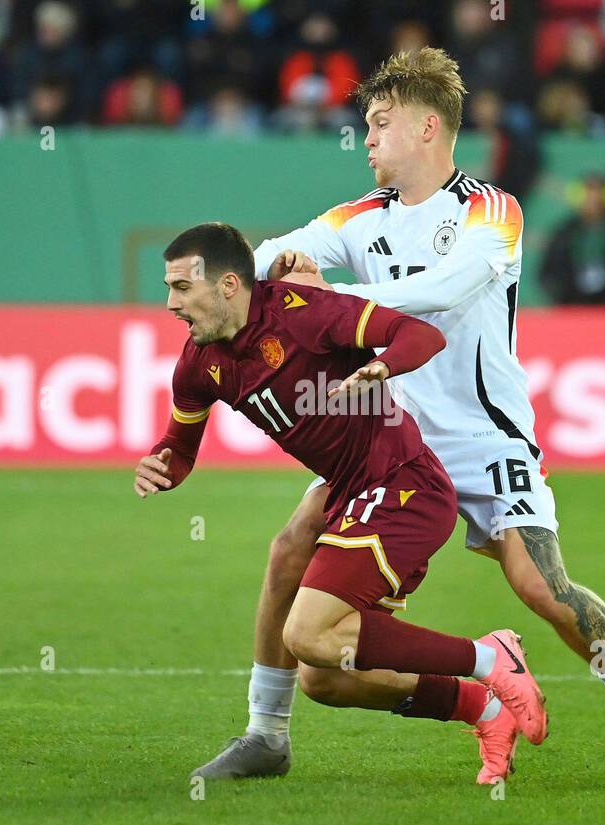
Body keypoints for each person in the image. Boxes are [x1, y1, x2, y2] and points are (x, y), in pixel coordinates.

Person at [192, 47, 605, 787]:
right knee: (295, 566)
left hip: (488, 440)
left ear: (428, 128)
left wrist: (329, 302)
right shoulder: (357, 219)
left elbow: (449, 288)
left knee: (541, 587)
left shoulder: (493, 210)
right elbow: (270, 257)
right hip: (389, 445)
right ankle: (270, 731)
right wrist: (219, 286)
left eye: (379, 124)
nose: (366, 140)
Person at [136, 222, 549, 782]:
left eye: (183, 288)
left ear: (230, 284)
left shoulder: (303, 312)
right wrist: (163, 463)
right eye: (169, 288)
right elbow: (179, 449)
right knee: (324, 677)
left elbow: (420, 336)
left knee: (307, 634)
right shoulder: (199, 363)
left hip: (405, 486)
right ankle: (480, 709)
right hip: (349, 491)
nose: (171, 304)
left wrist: (382, 364)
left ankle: (490, 656)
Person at [539, 171, 605, 305]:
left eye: (599, 193)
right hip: (571, 310)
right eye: (589, 193)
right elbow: (548, 274)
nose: (593, 200)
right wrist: (564, 298)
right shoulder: (564, 234)